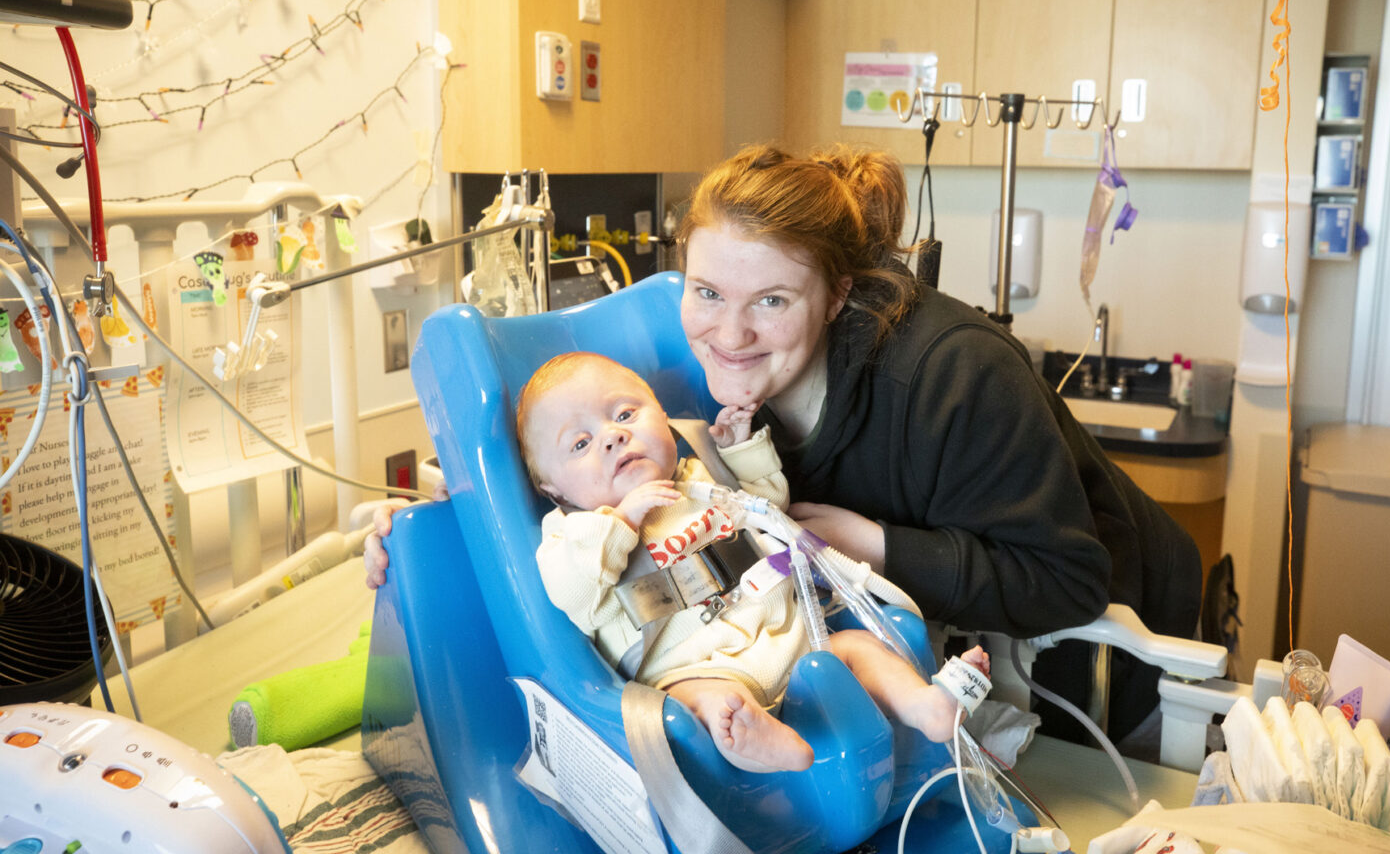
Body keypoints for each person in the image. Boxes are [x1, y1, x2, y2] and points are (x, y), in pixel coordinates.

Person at [368, 142, 1201, 745]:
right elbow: (587, 463)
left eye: (771, 301)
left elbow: (1068, 580)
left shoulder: (952, 376)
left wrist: (865, 541)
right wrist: (433, 527)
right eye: (706, 292)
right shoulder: (702, 374)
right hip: (917, 671)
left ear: (837, 295)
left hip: (1098, 671)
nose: (728, 333)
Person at [514, 350, 990, 773]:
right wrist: (621, 522)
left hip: (792, 638)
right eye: (580, 444)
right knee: (701, 706)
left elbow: (769, 510)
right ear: (553, 490)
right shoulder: (571, 534)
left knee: (859, 648)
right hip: (699, 668)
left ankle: (926, 706)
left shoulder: (698, 476)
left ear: (662, 416)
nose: (613, 436)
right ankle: (757, 741)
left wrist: (741, 452)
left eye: (625, 414)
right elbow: (573, 594)